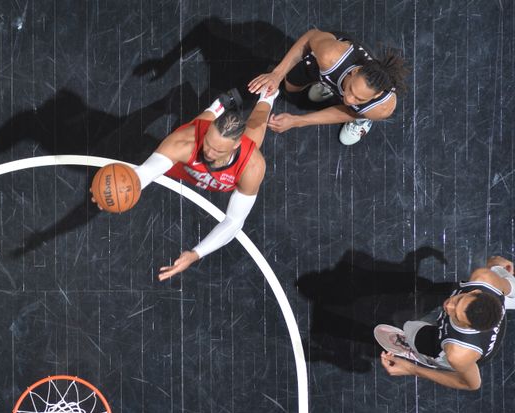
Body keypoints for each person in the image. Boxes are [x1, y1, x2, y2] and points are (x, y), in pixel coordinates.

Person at [92, 88, 279, 281]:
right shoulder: (186, 141)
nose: (208, 152)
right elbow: (145, 173)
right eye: (208, 143)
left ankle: (268, 95)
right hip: (184, 164)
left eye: (217, 150)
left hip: (231, 165)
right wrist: (110, 192)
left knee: (257, 127)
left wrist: (196, 253)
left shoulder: (252, 166)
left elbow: (234, 222)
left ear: (235, 146)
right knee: (200, 124)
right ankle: (219, 106)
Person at [247, 29, 407, 145]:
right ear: (356, 71)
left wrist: (297, 121)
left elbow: (347, 113)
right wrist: (277, 74)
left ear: (376, 95)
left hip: (351, 94)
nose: (349, 99)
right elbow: (311, 37)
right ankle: (327, 82)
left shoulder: (380, 109)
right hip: (326, 65)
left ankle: (362, 119)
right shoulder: (330, 56)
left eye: (359, 98)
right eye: (351, 89)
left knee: (357, 112)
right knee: (290, 88)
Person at [378, 256, 514, 390]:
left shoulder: (458, 353)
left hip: (469, 354)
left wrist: (411, 369)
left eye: (456, 315)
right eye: (458, 300)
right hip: (492, 308)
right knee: (495, 265)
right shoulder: (484, 278)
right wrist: (500, 268)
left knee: (411, 328)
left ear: (469, 327)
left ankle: (423, 356)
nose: (448, 306)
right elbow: (510, 285)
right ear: (476, 291)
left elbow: (472, 384)